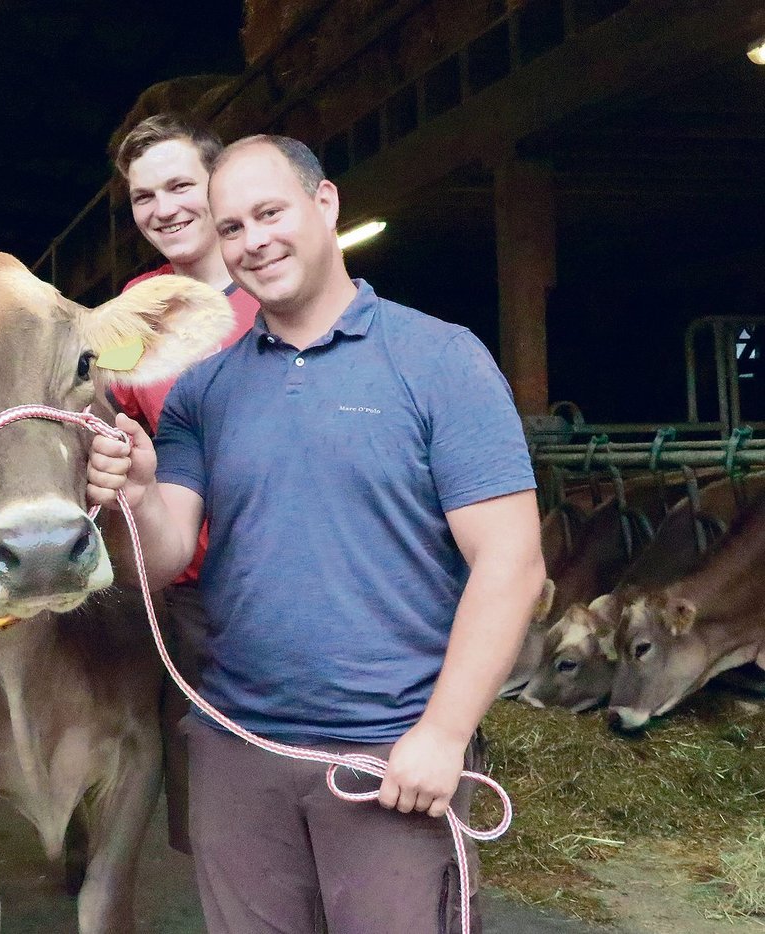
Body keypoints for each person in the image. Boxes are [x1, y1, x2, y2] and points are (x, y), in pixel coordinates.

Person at [87, 135, 545, 933]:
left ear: (325, 204)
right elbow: (158, 561)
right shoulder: (206, 388)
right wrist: (133, 495)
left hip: (388, 756)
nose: (254, 241)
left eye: (271, 213)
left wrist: (444, 732)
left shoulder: (438, 359)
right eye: (232, 228)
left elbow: (511, 561)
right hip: (236, 749)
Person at [109, 113, 259, 852]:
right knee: (217, 804)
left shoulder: (278, 287)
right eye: (144, 197)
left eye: (179, 186)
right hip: (192, 592)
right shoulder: (137, 311)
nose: (163, 209)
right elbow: (107, 419)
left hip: (290, 575)